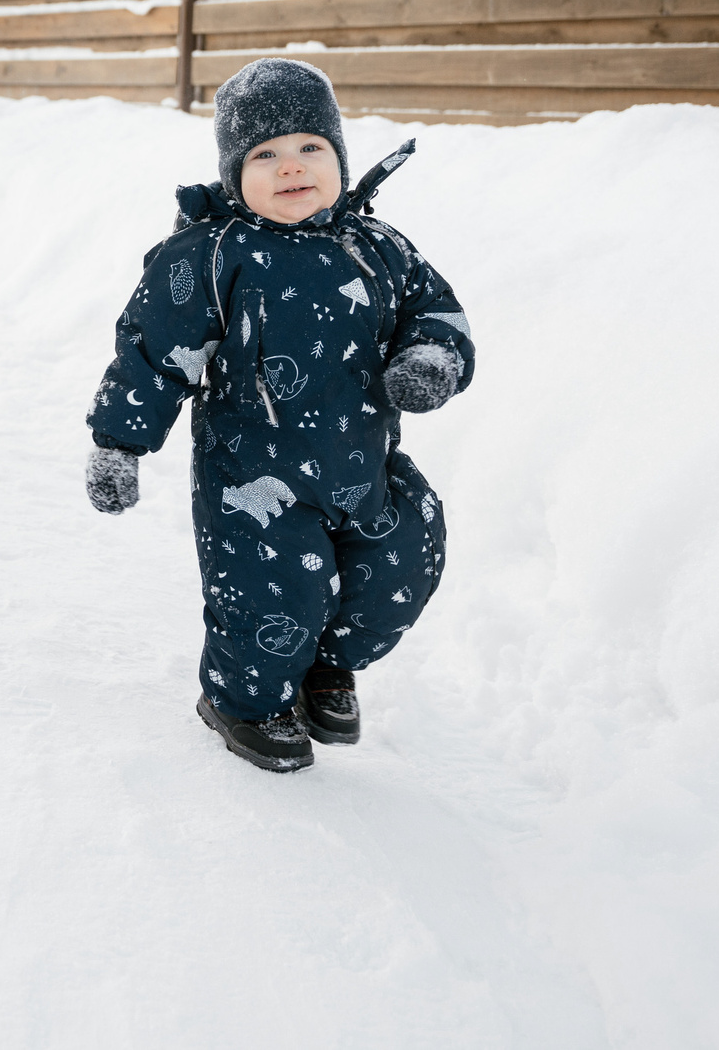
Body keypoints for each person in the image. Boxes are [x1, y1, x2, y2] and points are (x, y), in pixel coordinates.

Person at [85, 58, 475, 773]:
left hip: (363, 465)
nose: (290, 167)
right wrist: (119, 443)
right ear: (235, 174)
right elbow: (154, 351)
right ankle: (245, 702)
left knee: (401, 565)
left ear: (339, 158)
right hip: (251, 481)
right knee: (273, 600)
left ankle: (327, 664)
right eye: (264, 154)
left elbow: (437, 313)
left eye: (309, 148)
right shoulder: (210, 256)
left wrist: (429, 359)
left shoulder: (379, 246)